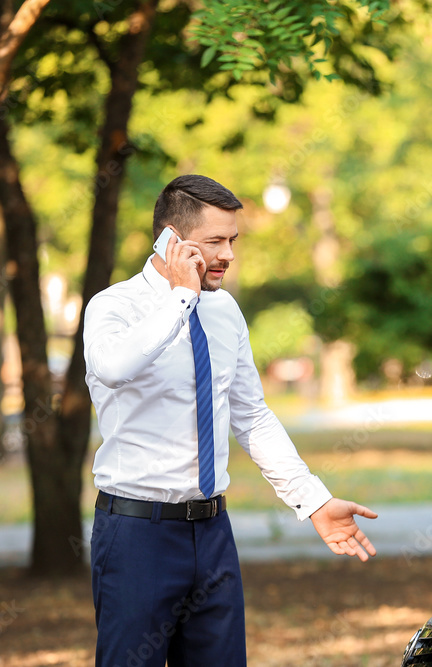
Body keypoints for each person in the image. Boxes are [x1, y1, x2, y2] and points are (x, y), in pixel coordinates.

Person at [84, 174, 377, 667]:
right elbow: (113, 368)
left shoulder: (226, 313)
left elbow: (252, 417)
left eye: (232, 240)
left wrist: (313, 499)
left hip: (213, 534)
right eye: (215, 242)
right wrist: (181, 297)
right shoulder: (114, 306)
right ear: (171, 242)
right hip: (136, 535)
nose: (228, 254)